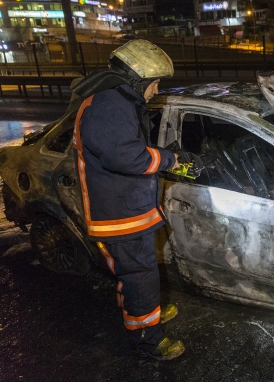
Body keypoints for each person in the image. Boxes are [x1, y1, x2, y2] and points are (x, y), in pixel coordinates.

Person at [72, 40, 185, 360]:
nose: (156, 89)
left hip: (127, 209)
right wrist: (169, 159)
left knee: (137, 275)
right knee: (138, 275)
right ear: (138, 79)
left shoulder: (116, 99)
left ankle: (145, 311)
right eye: (155, 83)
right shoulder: (109, 106)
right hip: (117, 215)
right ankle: (147, 338)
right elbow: (128, 157)